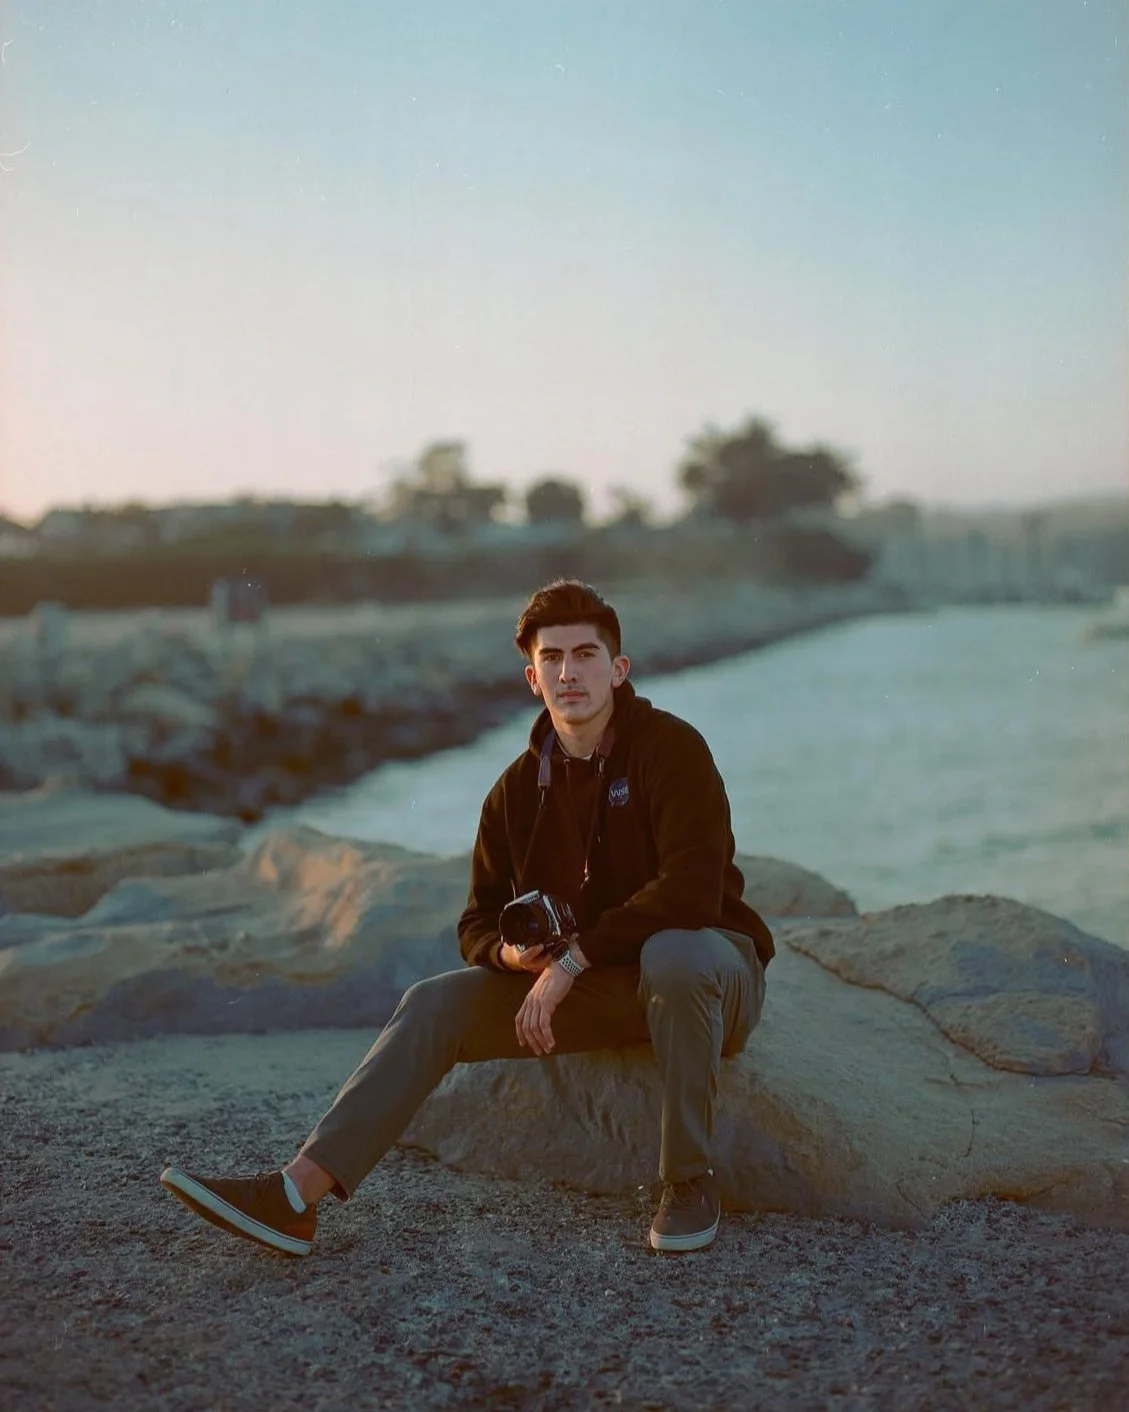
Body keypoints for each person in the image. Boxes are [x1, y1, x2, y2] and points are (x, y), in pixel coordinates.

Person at [160, 580, 774, 1256]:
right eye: (553, 658)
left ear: (617, 669)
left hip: (708, 980)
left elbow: (690, 891)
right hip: (608, 993)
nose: (570, 672)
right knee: (431, 1003)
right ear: (531, 677)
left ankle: (687, 1182)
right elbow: (477, 921)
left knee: (675, 955)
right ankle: (294, 1197)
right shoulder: (514, 791)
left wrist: (572, 960)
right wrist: (516, 960)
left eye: (587, 654)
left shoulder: (672, 750)